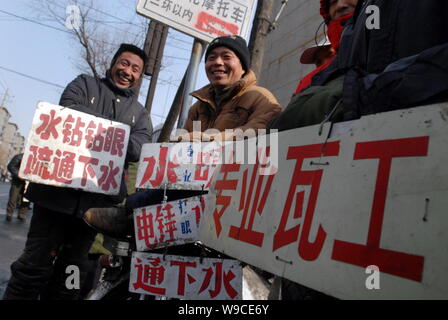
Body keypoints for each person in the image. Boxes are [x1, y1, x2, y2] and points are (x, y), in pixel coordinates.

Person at [83, 35, 282, 237]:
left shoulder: (261, 98)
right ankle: (134, 217)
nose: (217, 63)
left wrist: (210, 141)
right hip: (194, 188)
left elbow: (260, 132)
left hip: (233, 189)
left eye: (226, 56)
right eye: (211, 57)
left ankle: (130, 215)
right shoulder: (198, 107)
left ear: (243, 65)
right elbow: (182, 148)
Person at [3, 43, 152, 300]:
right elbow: (68, 110)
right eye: (124, 63)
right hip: (54, 197)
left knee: (70, 278)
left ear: (139, 76)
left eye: (135, 69)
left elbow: (139, 148)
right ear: (113, 64)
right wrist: (116, 133)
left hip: (95, 210)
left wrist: (106, 134)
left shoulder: (140, 114)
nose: (128, 71)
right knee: (31, 268)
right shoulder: (84, 84)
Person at [5, 153, 29, 222]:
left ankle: (22, 214)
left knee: (26, 199)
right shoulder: (19, 156)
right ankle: (9, 214)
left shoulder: (36, 158)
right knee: (13, 197)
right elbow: (11, 166)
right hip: (17, 181)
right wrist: (19, 175)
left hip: (28, 182)